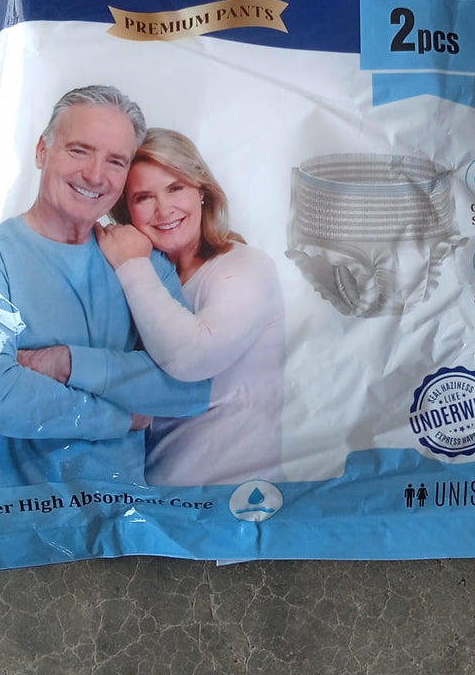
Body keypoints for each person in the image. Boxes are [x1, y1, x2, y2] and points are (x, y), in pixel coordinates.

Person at [0, 87, 210, 490]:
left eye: (115, 161)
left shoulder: (137, 260)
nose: (94, 175)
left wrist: (67, 363)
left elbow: (192, 387)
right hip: (10, 511)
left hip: (121, 512)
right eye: (79, 151)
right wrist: (119, 416)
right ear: (42, 151)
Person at [23, 129, 286, 486]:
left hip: (239, 501)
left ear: (202, 190)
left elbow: (192, 358)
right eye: (144, 197)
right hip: (149, 500)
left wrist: (131, 264)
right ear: (126, 211)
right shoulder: (142, 279)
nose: (164, 210)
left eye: (175, 188)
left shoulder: (245, 267)